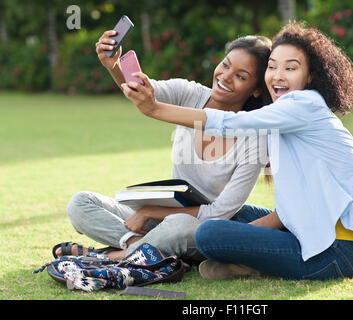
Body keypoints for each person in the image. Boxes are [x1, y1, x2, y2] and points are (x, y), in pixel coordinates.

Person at [120, 21, 353, 281]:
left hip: (337, 251)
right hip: (305, 230)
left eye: (290, 68)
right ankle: (241, 260)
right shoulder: (282, 119)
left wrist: (155, 109)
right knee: (235, 216)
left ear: (310, 76)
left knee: (208, 233)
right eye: (272, 66)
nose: (278, 75)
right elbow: (287, 210)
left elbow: (230, 122)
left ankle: (244, 262)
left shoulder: (304, 105)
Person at [53, 32, 272, 262]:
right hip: (160, 218)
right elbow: (143, 93)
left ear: (256, 89)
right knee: (80, 203)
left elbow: (219, 214)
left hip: (194, 227)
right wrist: (113, 65)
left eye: (241, 76)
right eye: (225, 65)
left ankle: (108, 256)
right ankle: (138, 249)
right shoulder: (191, 94)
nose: (225, 77)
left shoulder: (254, 140)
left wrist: (149, 212)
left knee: (179, 227)